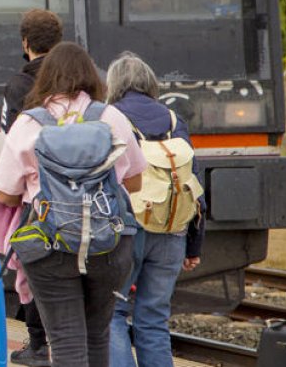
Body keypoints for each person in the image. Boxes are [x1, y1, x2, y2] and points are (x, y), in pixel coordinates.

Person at [0, 42, 146, 367]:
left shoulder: (30, 123)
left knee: (65, 341)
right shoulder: (111, 117)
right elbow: (134, 181)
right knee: (96, 335)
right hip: (107, 244)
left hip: (50, 245)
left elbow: (4, 193)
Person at [106, 53, 204, 367]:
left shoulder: (111, 117)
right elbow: (194, 186)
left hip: (129, 231)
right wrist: (194, 245)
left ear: (115, 84)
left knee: (113, 313)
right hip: (173, 230)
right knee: (154, 317)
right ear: (151, 84)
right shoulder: (175, 120)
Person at [0, 8, 63, 366]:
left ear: (26, 43)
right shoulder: (81, 81)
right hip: (83, 190)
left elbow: (14, 141)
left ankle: (39, 345)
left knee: (34, 267)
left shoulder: (21, 85)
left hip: (38, 194)